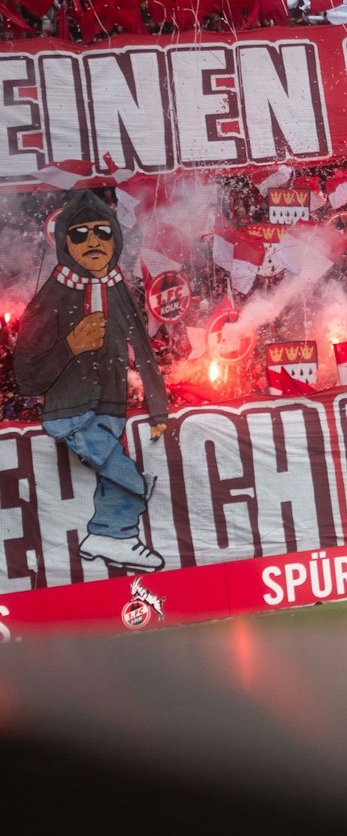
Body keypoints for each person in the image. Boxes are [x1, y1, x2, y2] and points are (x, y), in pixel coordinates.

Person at [12, 189, 172, 573]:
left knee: (109, 478)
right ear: (65, 242)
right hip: (68, 411)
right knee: (125, 472)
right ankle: (139, 486)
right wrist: (71, 344)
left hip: (111, 404)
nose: (93, 242)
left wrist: (157, 407)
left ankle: (109, 536)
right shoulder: (51, 295)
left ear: (115, 238)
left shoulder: (118, 288)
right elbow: (27, 375)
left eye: (102, 232)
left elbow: (143, 349)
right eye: (80, 235)